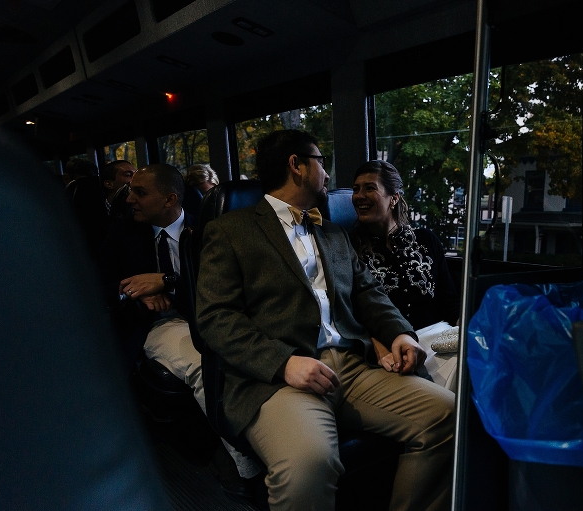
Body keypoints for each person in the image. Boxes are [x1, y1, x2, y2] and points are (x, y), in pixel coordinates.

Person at [196, 129, 455, 511]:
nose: (329, 175)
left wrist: (399, 333)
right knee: (309, 464)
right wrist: (283, 363)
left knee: (448, 416)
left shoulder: (333, 233)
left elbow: (369, 294)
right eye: (320, 162)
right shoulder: (231, 231)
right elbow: (215, 317)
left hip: (353, 367)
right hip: (279, 378)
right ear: (296, 166)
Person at [97, 163, 260, 496]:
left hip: (211, 314)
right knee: (207, 365)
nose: (130, 200)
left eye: (140, 192)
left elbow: (226, 282)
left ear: (170, 198)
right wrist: (134, 292)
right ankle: (249, 468)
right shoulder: (121, 233)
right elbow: (95, 285)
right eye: (130, 191)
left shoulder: (209, 228)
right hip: (158, 323)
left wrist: (167, 280)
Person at [350, 160, 461, 391]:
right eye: (356, 189)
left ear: (394, 198)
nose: (359, 196)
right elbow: (348, 311)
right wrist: (377, 346)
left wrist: (475, 328)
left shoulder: (427, 240)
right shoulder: (348, 247)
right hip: (397, 345)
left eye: (370, 188)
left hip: (442, 335)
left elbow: (450, 304)